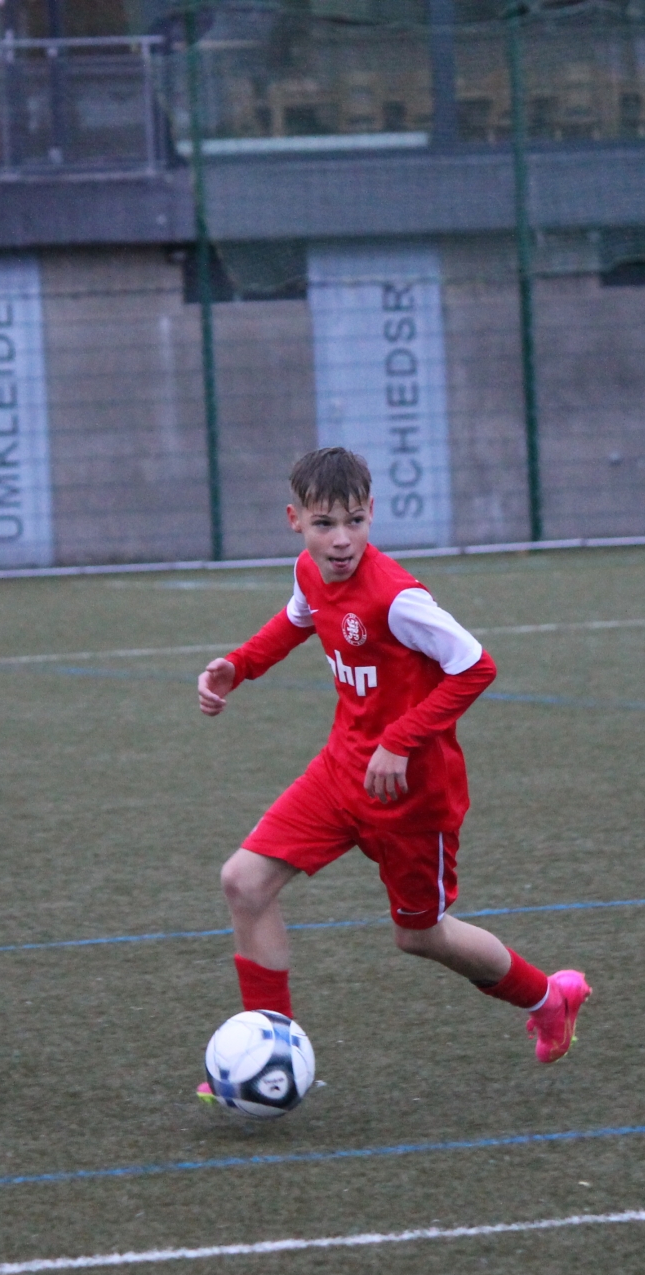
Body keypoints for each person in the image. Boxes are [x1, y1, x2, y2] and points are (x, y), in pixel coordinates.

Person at [195, 447, 590, 1091]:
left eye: (355, 520)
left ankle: (549, 998)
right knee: (244, 882)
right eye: (325, 524)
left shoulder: (399, 599)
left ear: (373, 513)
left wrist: (401, 739)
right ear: (295, 520)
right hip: (339, 773)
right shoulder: (310, 572)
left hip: (413, 798)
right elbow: (295, 622)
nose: (342, 539)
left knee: (421, 936)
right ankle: (269, 1054)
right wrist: (236, 666)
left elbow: (477, 665)